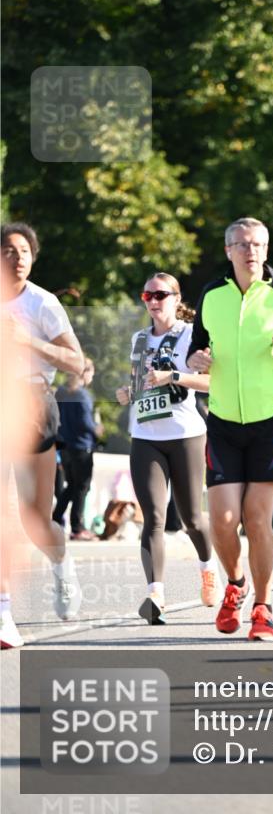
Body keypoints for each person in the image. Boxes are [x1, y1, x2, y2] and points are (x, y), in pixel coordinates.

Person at [187, 217, 273, 641]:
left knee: (256, 517)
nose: (252, 252)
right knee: (223, 521)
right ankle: (236, 584)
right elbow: (196, 346)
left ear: (266, 249)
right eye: (243, 245)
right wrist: (196, 360)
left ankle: (262, 607)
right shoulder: (212, 295)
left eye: (259, 245)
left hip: (272, 419)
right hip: (224, 418)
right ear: (228, 250)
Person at [115, 272, 219, 625]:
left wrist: (173, 376)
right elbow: (141, 382)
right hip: (145, 435)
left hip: (185, 433)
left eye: (161, 295)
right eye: (148, 296)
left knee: (191, 518)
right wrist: (128, 393)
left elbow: (209, 381)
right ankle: (155, 593)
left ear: (176, 299)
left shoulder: (191, 335)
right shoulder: (139, 338)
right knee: (154, 518)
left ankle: (208, 569)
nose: (154, 301)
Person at [1, 221, 85, 647]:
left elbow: (75, 362)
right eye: (10, 252)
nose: (18, 259)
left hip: (34, 404)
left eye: (25, 252)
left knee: (36, 520)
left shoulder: (43, 303)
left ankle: (61, 567)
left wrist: (28, 343)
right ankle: (3, 614)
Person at [53, 357, 103, 540]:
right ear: (85, 373)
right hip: (82, 446)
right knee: (82, 487)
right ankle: (77, 527)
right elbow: (85, 422)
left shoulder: (60, 392)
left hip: (64, 447)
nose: (93, 377)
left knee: (71, 486)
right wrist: (97, 430)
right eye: (92, 373)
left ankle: (56, 518)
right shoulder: (82, 395)